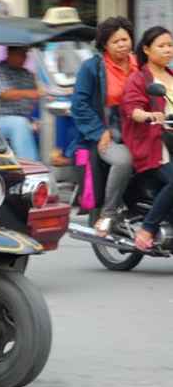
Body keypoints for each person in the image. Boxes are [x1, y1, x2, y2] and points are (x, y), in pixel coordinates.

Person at [70, 16, 136, 236]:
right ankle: (107, 215)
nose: (122, 44)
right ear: (105, 45)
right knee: (124, 160)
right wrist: (99, 132)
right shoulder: (92, 68)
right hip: (109, 132)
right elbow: (79, 105)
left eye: (125, 39)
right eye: (115, 41)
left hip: (139, 129)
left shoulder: (140, 64)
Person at [120, 26, 173, 250]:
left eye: (170, 45)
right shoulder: (139, 78)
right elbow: (132, 109)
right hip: (155, 141)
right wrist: (149, 115)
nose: (168, 50)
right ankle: (148, 228)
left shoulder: (171, 76)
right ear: (146, 49)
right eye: (162, 46)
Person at [0, 46, 41, 161]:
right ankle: (31, 165)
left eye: (25, 54)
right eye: (20, 54)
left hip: (24, 117)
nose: (24, 57)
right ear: (9, 54)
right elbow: (5, 93)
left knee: (46, 125)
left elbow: (36, 98)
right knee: (19, 123)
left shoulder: (26, 74)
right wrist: (33, 93)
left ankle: (66, 161)